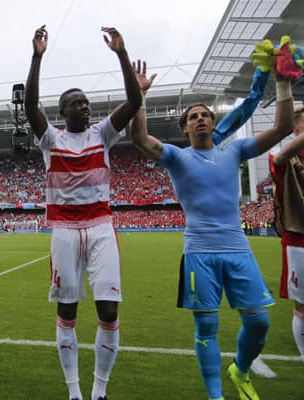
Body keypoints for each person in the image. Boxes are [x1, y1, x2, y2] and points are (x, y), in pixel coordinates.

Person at [130, 60, 294, 400]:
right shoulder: (176, 156)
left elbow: (282, 128)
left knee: (259, 323)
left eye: (205, 114)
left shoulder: (235, 150)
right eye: (193, 116)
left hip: (237, 249)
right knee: (206, 327)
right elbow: (140, 139)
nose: (200, 118)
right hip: (200, 252)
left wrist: (282, 84)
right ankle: (215, 396)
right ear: (185, 128)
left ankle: (241, 369)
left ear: (214, 122)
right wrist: (139, 96)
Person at [24, 26, 141, 400]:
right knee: (68, 309)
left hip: (101, 227)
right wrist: (37, 57)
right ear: (62, 112)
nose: (85, 106)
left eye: (87, 101)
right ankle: (74, 391)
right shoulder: (52, 139)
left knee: (108, 310)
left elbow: (134, 102)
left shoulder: (102, 134)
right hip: (64, 231)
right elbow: (30, 107)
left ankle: (99, 390)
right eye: (76, 103)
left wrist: (122, 55)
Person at [269, 105, 304, 363]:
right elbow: (279, 159)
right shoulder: (284, 156)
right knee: (302, 306)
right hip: (298, 238)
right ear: (295, 128)